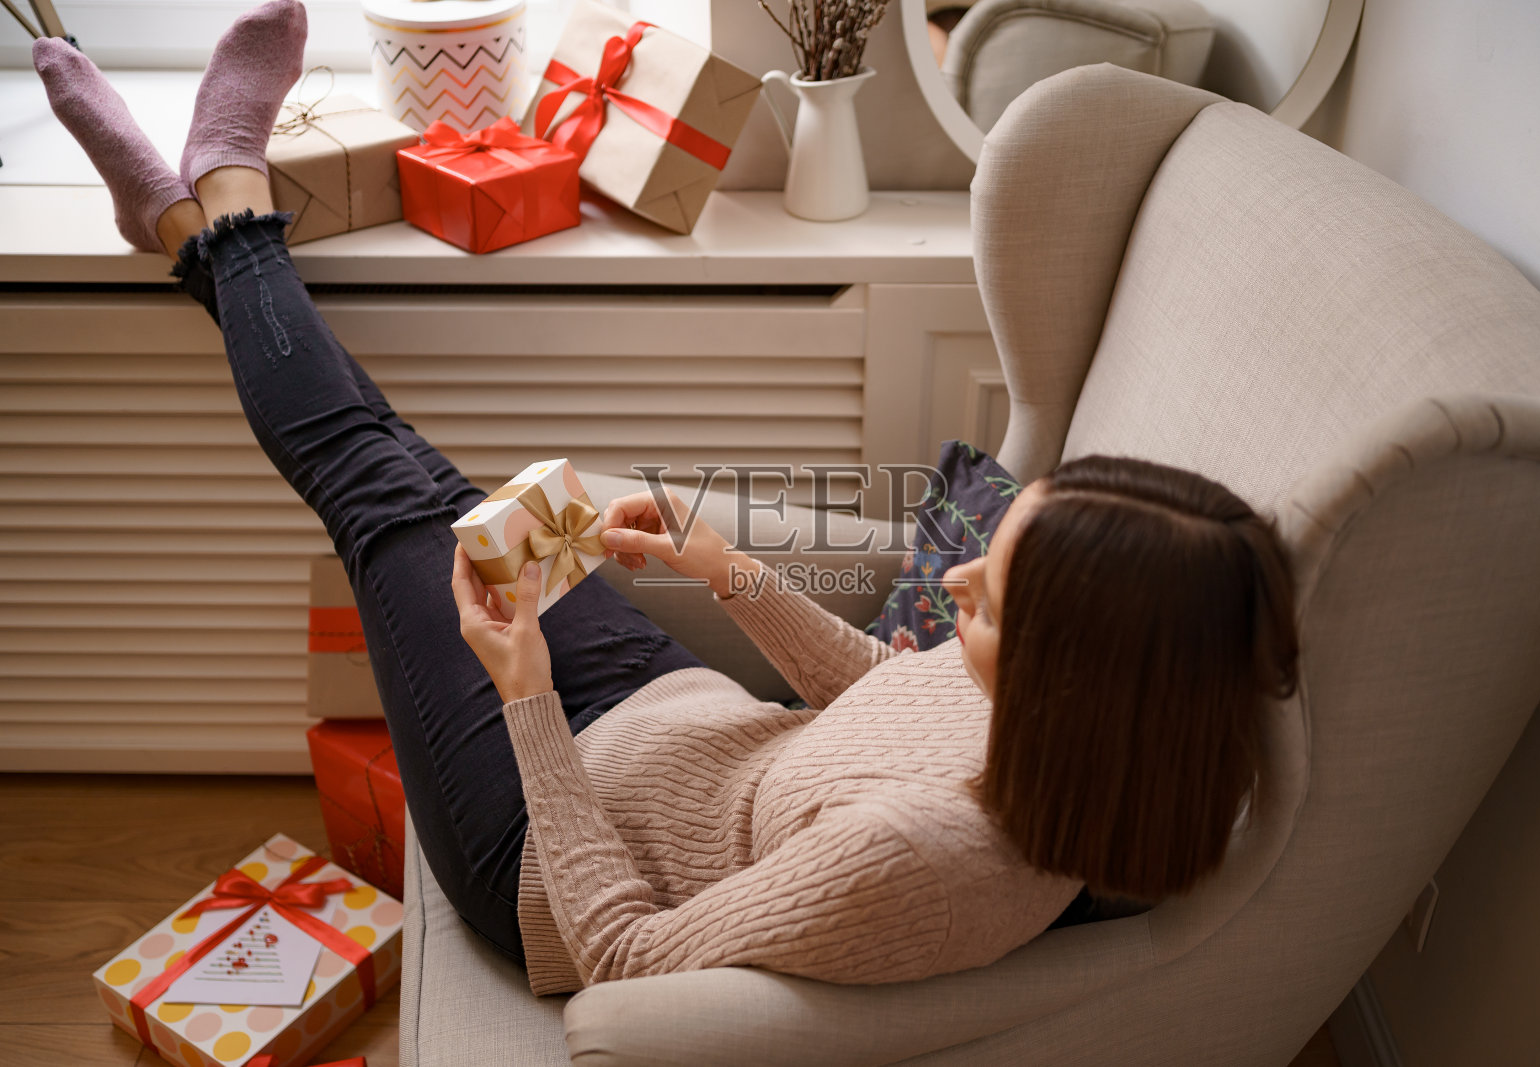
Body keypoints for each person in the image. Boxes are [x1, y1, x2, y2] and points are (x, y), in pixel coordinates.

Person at [33, 1, 1299, 996]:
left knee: (369, 485)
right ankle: (193, 227)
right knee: (420, 475)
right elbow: (878, 698)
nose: (957, 581)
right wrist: (719, 566)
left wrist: (527, 696)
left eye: (990, 601)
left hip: (541, 843)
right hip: (674, 721)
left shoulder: (915, 867)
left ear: (1076, 682)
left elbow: (625, 954)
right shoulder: (1058, 720)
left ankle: (225, 199)